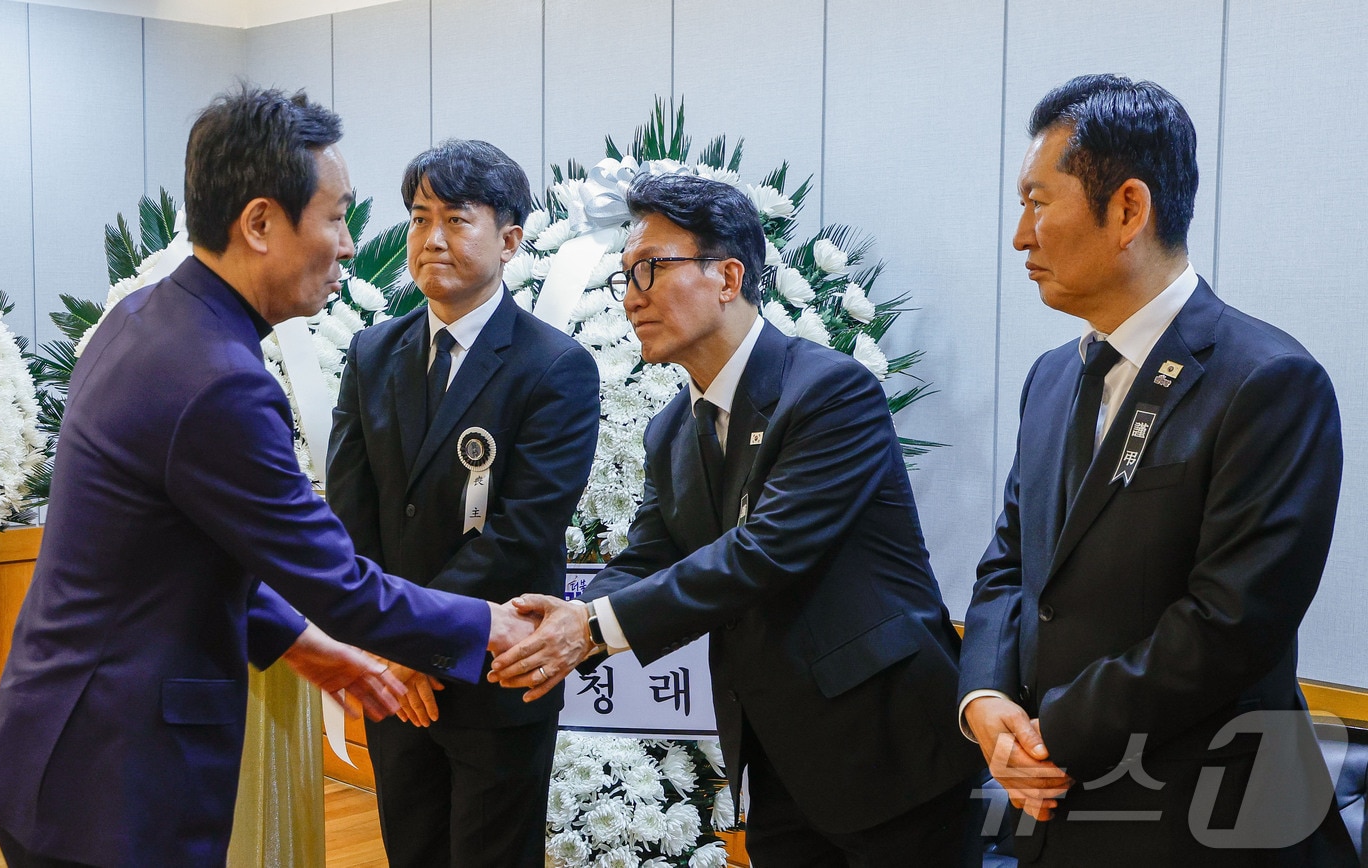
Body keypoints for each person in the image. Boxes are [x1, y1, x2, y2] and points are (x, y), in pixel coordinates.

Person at [0, 87, 533, 868]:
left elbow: (183, 545)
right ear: (262, 223)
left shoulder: (145, 321)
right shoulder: (216, 380)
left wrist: (306, 646)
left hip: (62, 751)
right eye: (336, 216)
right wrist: (490, 628)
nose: (347, 243)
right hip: (115, 783)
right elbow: (337, 581)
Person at [488, 173, 982, 867]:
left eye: (651, 270)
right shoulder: (670, 429)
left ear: (727, 276)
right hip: (778, 757)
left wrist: (591, 627)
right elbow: (649, 555)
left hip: (888, 750)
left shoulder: (830, 391)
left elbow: (766, 551)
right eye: (625, 277)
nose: (631, 297)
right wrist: (565, 620)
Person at [956, 74, 1357, 866]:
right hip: (1060, 811)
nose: (1020, 236)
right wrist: (986, 698)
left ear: (1128, 209)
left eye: (1038, 203)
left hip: (1210, 820)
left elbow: (1229, 624)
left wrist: (1053, 733)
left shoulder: (1267, 380)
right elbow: (1011, 563)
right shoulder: (1050, 377)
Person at [325, 139, 599, 868]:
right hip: (396, 681)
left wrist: (418, 646)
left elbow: (520, 533)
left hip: (495, 679)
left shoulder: (556, 367)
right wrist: (390, 647)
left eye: (456, 219)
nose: (431, 239)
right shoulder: (371, 353)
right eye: (419, 219)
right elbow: (351, 520)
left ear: (510, 240)